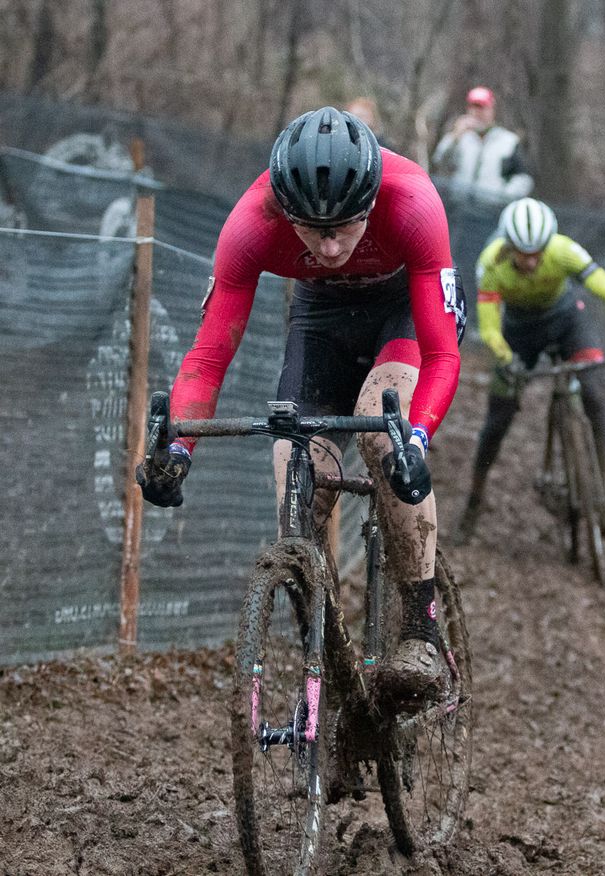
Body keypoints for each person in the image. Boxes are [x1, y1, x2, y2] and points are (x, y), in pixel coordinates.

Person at [133, 106, 465, 704]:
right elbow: (208, 358)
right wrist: (176, 449)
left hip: (403, 313)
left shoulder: (413, 202)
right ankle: (329, 663)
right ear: (285, 212)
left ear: (370, 202)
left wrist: (416, 439)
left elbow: (442, 356)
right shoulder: (251, 225)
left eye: (345, 225)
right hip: (321, 320)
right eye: (313, 230)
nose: (332, 244)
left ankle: (421, 630)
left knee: (380, 428)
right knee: (296, 471)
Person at [455, 198, 605, 544]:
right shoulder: (492, 264)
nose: (532, 260)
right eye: (523, 253)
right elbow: (490, 328)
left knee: (596, 397)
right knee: (497, 420)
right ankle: (474, 500)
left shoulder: (564, 250)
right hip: (519, 332)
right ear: (509, 245)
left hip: (568, 321)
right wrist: (507, 359)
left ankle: (601, 497)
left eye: (538, 251)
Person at [432, 86, 534, 201]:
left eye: (482, 108)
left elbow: (524, 178)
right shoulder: (460, 138)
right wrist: (455, 136)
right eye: (473, 107)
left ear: (492, 110)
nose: (477, 113)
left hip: (490, 210)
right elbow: (440, 160)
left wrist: (503, 196)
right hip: (460, 207)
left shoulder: (508, 141)